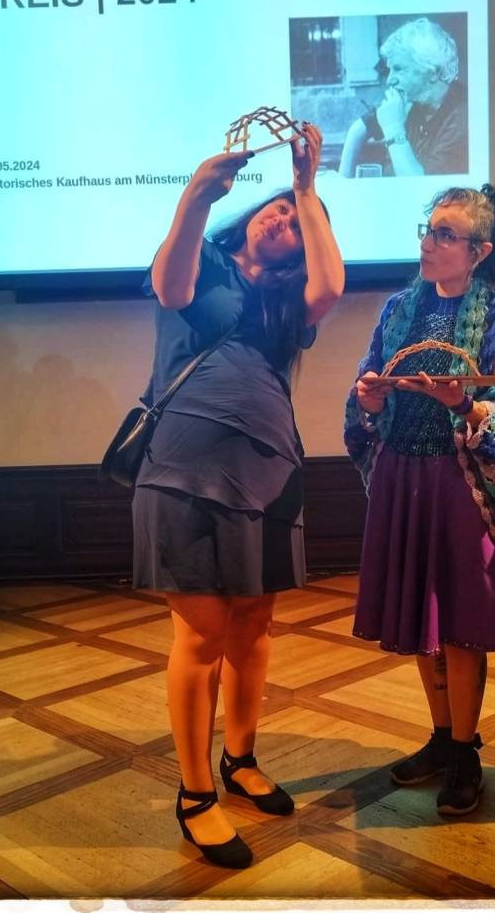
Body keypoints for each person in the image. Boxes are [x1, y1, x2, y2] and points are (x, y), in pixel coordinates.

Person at [133, 123, 344, 869]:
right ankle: (195, 796)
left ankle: (241, 758)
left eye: (295, 219)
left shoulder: (291, 300)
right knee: (200, 637)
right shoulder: (206, 263)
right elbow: (170, 286)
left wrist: (308, 188)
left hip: (269, 472)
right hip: (184, 469)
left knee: (253, 626)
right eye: (277, 207)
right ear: (249, 212)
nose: (281, 218)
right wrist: (198, 192)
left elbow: (330, 286)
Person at [343, 184, 495, 817]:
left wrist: (463, 404)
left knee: (461, 623)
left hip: (462, 485)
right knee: (423, 617)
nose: (429, 243)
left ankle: (465, 752)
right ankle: (441, 735)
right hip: (404, 476)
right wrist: (368, 398)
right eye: (428, 230)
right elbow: (366, 392)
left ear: (479, 251)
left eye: (445, 234)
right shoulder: (398, 310)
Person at [339, 17, 468, 178]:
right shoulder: (414, 102)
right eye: (390, 70)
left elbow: (419, 188)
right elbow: (358, 129)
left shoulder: (465, 118)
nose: (389, 80)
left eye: (399, 69)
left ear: (433, 73)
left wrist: (394, 129)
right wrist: (342, 181)